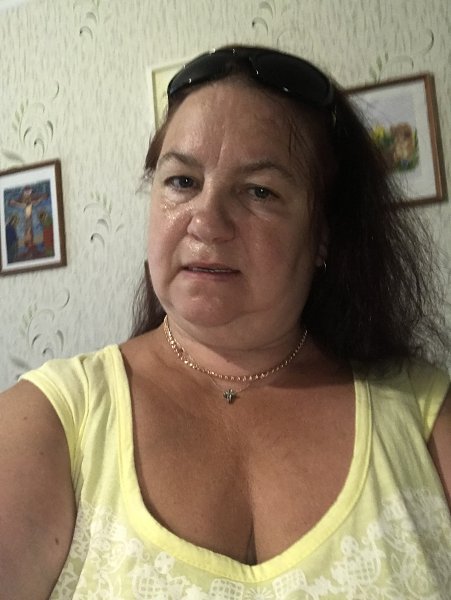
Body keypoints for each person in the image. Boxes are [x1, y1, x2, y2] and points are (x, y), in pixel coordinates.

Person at [1, 46, 450, 599]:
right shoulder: (50, 419)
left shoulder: (423, 417)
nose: (207, 222)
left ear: (323, 233)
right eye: (182, 182)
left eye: (259, 191)